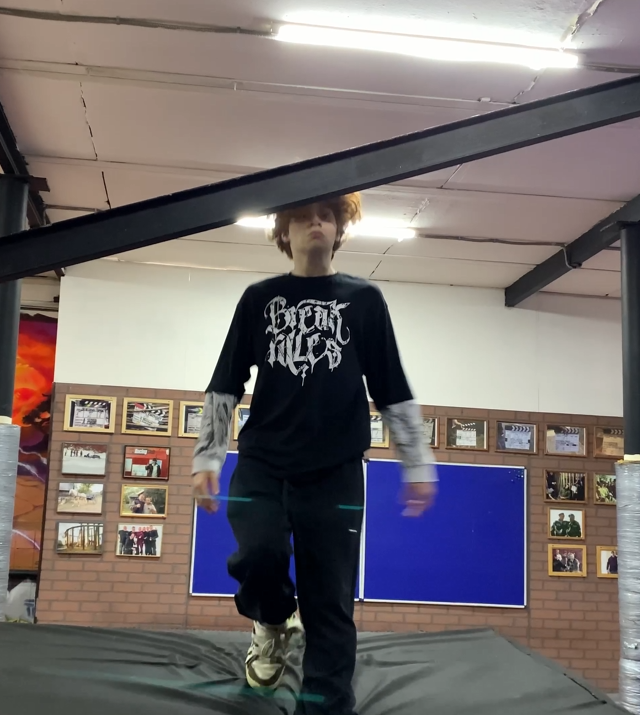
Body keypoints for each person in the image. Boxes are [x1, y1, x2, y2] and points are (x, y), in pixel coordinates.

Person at [191, 194, 437, 715]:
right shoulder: (260, 299)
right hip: (263, 463)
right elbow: (225, 381)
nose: (316, 224)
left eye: (326, 216)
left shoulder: (364, 300)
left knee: (330, 603)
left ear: (339, 229)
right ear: (284, 232)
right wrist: (208, 457)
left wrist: (417, 462)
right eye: (303, 218)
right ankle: (272, 620)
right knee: (258, 556)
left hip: (335, 472)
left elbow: (391, 384)